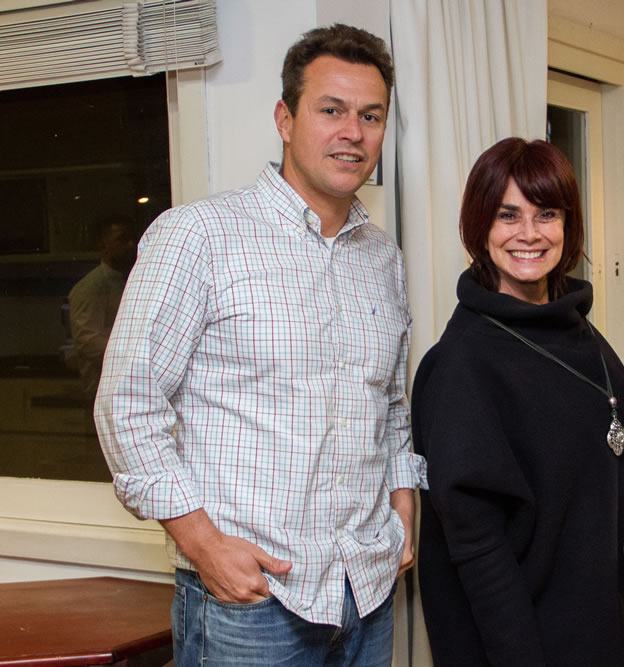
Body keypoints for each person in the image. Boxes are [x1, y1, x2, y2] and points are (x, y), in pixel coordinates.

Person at [95, 24, 425, 666]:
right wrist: (203, 545)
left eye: (370, 115)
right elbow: (127, 405)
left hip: (367, 591)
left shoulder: (382, 258)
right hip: (252, 602)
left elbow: (389, 405)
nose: (352, 132)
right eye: (331, 110)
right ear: (285, 118)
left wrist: (403, 508)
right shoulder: (198, 236)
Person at [412, 137, 624, 666]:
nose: (529, 233)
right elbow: (479, 551)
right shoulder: (461, 364)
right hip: (526, 647)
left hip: (604, 632)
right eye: (507, 215)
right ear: (479, 227)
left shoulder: (578, 331)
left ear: (568, 224)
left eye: (547, 214)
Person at [67, 218, 136, 399]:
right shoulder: (91, 287)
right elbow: (88, 342)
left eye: (132, 239)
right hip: (103, 392)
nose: (131, 245)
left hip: (130, 388)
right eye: (122, 239)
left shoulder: (131, 281)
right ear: (104, 246)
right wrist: (135, 356)